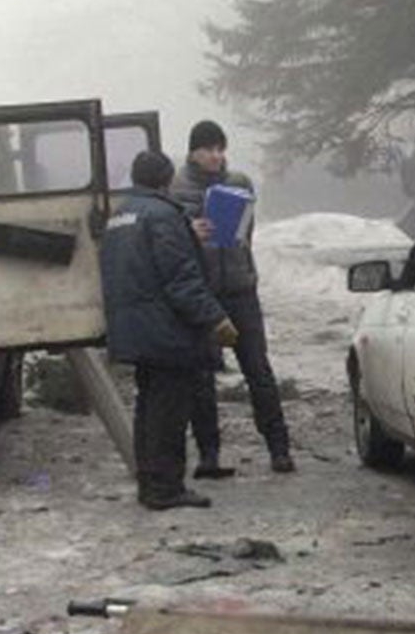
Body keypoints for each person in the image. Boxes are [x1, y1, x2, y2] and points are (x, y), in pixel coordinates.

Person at [99, 148, 238, 510]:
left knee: (148, 409)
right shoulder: (164, 215)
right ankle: (166, 488)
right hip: (165, 331)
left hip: (133, 327)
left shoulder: (120, 215)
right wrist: (215, 318)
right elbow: (181, 278)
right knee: (169, 411)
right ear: (165, 180)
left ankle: (149, 482)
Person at [172, 120, 294, 477]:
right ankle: (209, 454)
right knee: (201, 378)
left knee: (258, 370)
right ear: (193, 151)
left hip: (241, 289)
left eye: (220, 148)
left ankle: (279, 447)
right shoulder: (176, 189)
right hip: (203, 293)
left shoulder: (239, 183)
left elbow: (248, 231)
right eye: (208, 148)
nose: (215, 155)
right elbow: (167, 240)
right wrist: (190, 233)